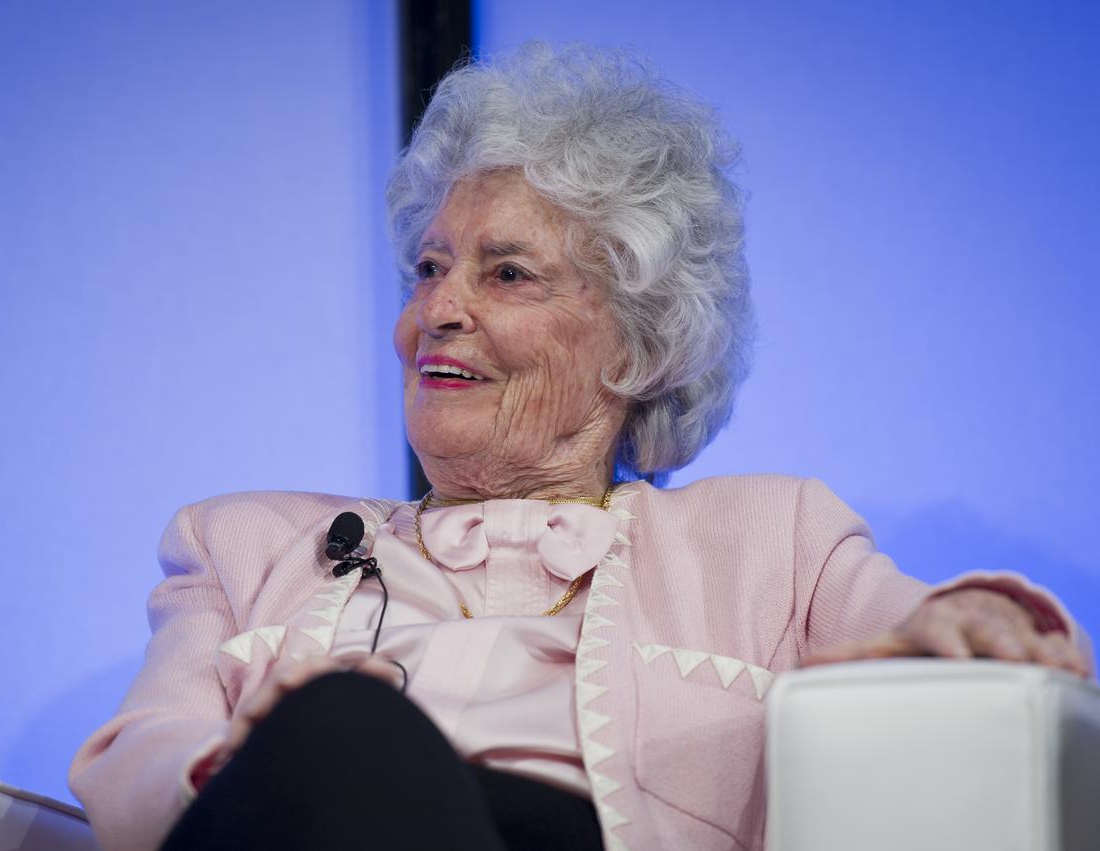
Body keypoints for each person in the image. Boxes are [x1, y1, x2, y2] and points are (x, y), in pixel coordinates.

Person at [69, 43, 1092, 851]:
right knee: (340, 733)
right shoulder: (242, 544)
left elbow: (968, 636)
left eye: (505, 273)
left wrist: (981, 615)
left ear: (641, 345)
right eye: (428, 268)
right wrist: (251, 761)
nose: (437, 311)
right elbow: (131, 772)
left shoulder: (772, 545)